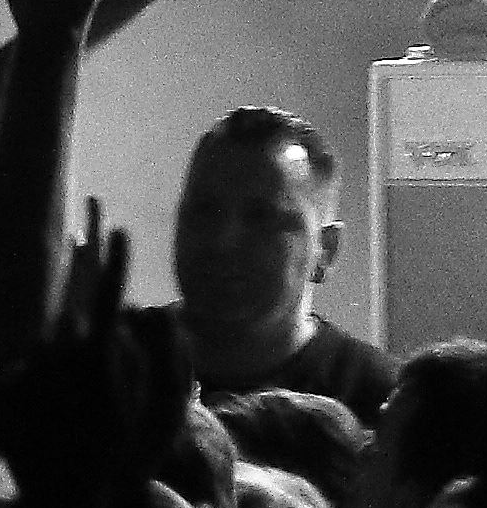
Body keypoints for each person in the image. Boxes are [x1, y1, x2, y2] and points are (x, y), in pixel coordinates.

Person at [169, 103, 402, 416]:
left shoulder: (383, 405)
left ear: (326, 249)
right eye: (204, 211)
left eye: (261, 218)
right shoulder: (113, 363)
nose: (223, 241)